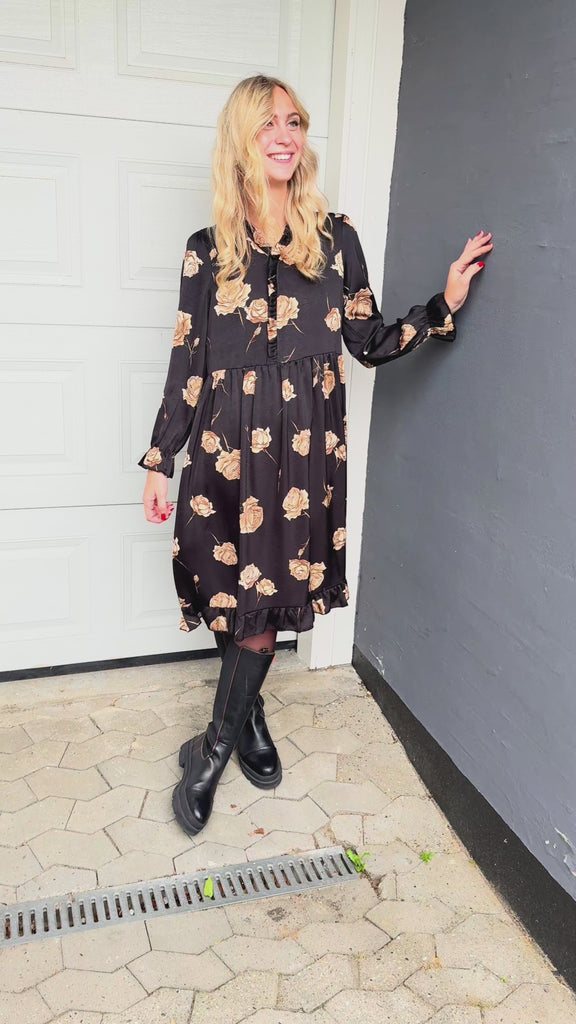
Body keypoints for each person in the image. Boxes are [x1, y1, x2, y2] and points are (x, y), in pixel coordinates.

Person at [139, 74, 493, 838]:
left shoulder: (335, 240)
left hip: (297, 462)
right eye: (269, 122)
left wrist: (443, 306)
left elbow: (366, 342)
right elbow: (188, 362)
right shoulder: (206, 251)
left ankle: (209, 753)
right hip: (221, 454)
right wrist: (160, 460)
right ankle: (249, 718)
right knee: (228, 591)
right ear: (241, 139)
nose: (285, 134)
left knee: (265, 607)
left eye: (295, 121)